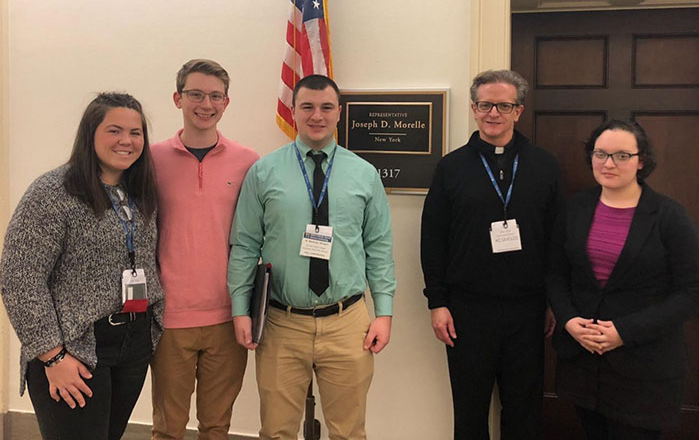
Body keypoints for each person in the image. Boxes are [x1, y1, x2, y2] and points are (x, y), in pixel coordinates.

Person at [228, 74, 396, 440]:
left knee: (349, 431)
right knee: (276, 431)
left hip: (348, 323)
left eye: (325, 107)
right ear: (294, 111)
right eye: (307, 106)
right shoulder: (264, 172)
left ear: (339, 112)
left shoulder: (364, 174)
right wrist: (241, 308)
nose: (316, 115)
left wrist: (383, 313)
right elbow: (244, 244)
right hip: (282, 323)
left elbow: (379, 249)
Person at [0, 92, 163, 440]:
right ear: (90, 134)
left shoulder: (141, 190)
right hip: (76, 347)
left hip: (132, 344)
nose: (127, 141)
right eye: (114, 130)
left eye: (136, 132)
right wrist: (52, 356)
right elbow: (19, 278)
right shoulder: (53, 191)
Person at [546, 119, 699, 440]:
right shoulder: (575, 208)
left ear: (641, 161)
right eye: (600, 154)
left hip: (644, 368)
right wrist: (566, 320)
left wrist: (625, 332)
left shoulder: (669, 215)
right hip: (583, 364)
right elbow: (555, 273)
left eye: (622, 155)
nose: (608, 163)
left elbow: (695, 291)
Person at [421, 69, 561, 440]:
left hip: (528, 310)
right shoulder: (451, 167)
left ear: (519, 111)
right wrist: (438, 302)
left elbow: (557, 240)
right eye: (485, 105)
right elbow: (432, 239)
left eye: (503, 105)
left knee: (524, 409)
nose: (493, 113)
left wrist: (553, 301)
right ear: (473, 108)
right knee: (469, 410)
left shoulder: (545, 165)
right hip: (467, 311)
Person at [150, 59, 259, 440]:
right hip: (169, 318)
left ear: (226, 103)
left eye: (215, 96)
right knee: (167, 428)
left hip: (228, 317)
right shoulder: (149, 160)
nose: (205, 103)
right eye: (195, 94)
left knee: (217, 427)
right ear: (178, 98)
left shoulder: (249, 162)